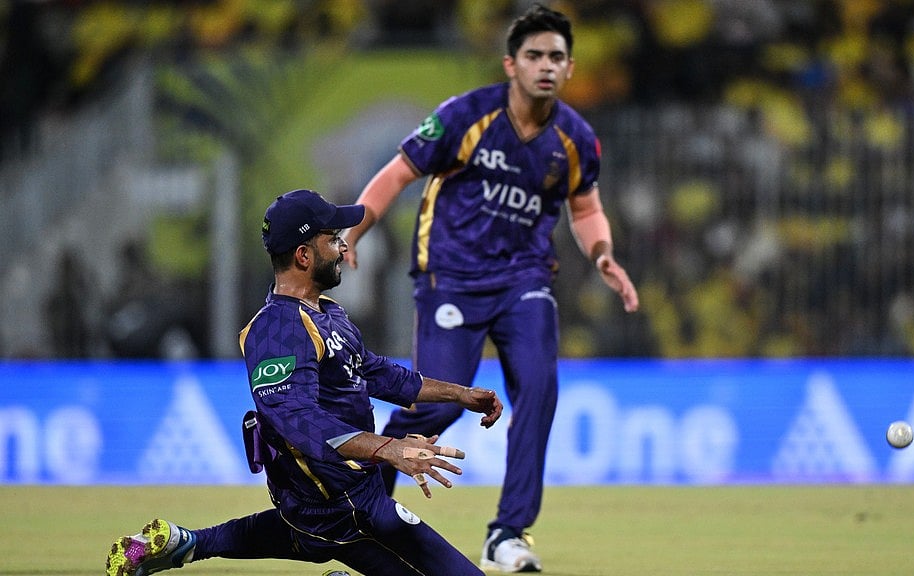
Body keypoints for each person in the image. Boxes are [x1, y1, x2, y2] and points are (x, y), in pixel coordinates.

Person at [342, 4, 639, 572]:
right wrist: (357, 227)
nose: (545, 66)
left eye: (556, 57)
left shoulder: (575, 138)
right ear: (511, 64)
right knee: (435, 408)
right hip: (448, 278)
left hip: (524, 280)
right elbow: (399, 172)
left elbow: (586, 207)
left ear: (570, 67)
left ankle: (507, 532)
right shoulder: (465, 116)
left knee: (539, 390)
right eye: (534, 56)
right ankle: (363, 512)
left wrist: (602, 253)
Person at [104, 189, 504, 576]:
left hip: (339, 498)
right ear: (303, 255)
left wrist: (461, 394)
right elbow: (299, 419)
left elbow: (377, 373)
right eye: (333, 240)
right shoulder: (276, 329)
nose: (344, 248)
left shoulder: (327, 312)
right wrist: (389, 449)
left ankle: (182, 542)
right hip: (340, 504)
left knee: (285, 537)